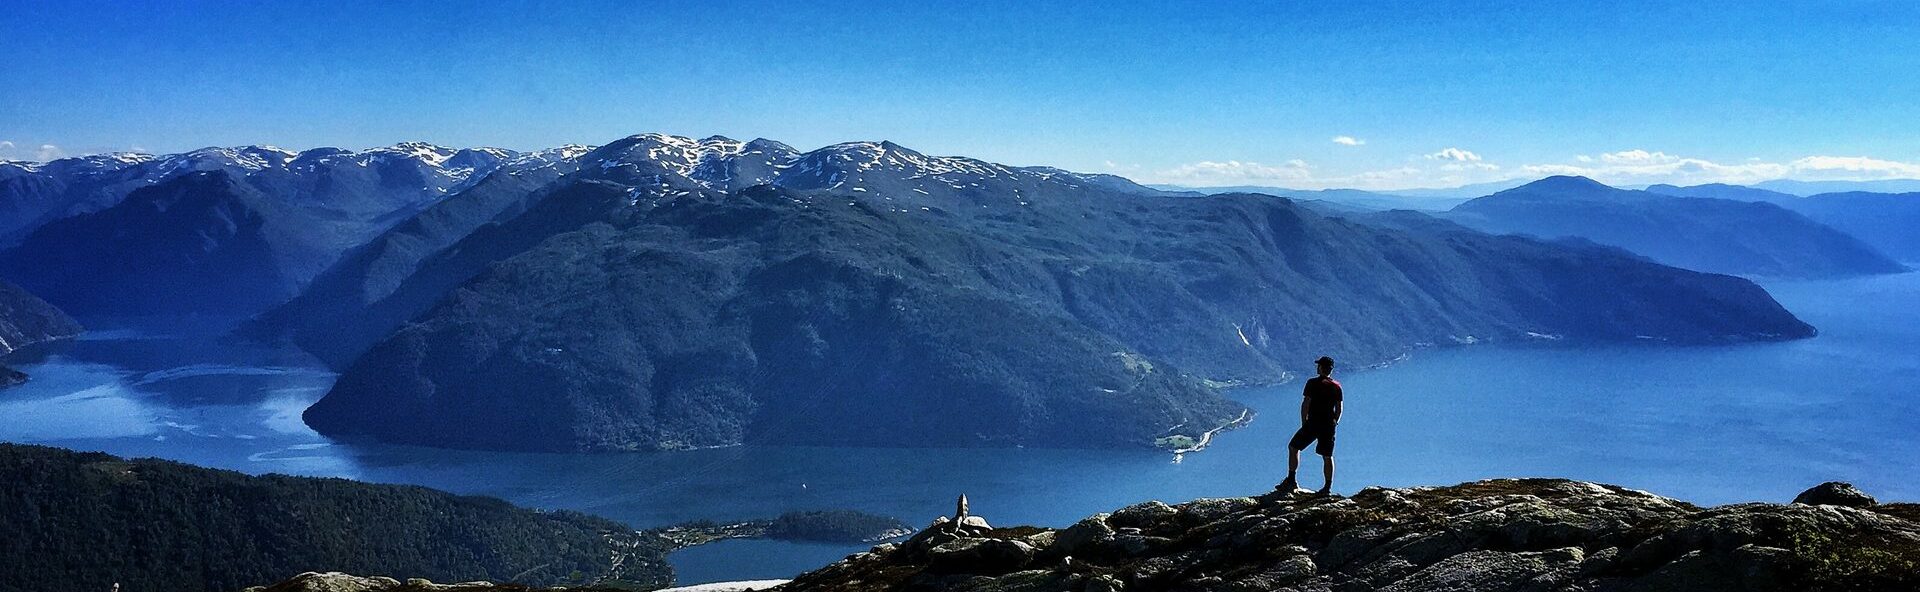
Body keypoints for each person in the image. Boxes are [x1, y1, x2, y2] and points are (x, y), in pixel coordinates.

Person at [1278, 356, 1342, 496]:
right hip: (1328, 425)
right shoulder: (1337, 386)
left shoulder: (1312, 383)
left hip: (1313, 423)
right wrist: (1335, 422)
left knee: (1293, 447)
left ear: (1320, 368)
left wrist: (1304, 422)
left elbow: (1306, 403)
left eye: (1318, 365)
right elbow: (1339, 408)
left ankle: (1291, 480)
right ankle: (1327, 488)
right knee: (1327, 456)